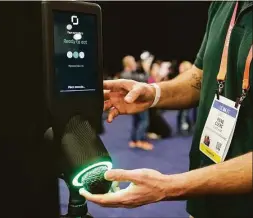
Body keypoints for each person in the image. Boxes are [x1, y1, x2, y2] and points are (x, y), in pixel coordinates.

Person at [80, 2, 252, 218]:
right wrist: (153, 93)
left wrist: (169, 187)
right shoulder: (224, 4)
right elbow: (200, 75)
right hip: (203, 203)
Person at [120, 55, 153, 150]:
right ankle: (140, 141)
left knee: (136, 121)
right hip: (138, 102)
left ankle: (134, 140)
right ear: (129, 63)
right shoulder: (127, 74)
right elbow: (144, 81)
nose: (135, 63)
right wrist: (146, 70)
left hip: (133, 102)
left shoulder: (127, 74)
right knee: (144, 121)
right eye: (133, 61)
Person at [177, 61, 193, 135]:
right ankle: (182, 128)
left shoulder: (189, 78)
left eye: (181, 67)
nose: (179, 69)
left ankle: (185, 129)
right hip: (181, 99)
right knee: (181, 114)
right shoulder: (181, 77)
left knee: (185, 114)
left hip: (187, 100)